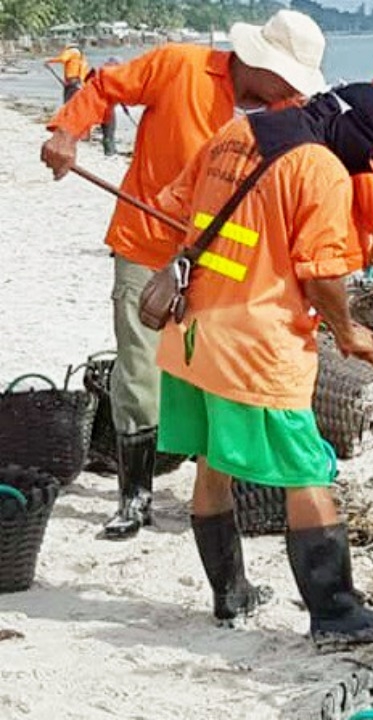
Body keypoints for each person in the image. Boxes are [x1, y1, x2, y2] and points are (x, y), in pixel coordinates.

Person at [40, 10, 326, 541]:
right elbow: (105, 87)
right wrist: (66, 131)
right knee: (140, 372)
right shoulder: (178, 65)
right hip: (147, 245)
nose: (291, 92)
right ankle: (135, 497)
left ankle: (214, 490)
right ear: (262, 64)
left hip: (223, 268)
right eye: (288, 79)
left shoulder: (281, 114)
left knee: (212, 376)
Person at [153, 83, 373, 642]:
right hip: (256, 345)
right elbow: (320, 274)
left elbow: (177, 207)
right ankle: (337, 614)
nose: (362, 164)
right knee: (307, 473)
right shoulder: (319, 167)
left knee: (212, 463)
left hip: (193, 334)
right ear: (346, 130)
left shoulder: (234, 132)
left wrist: (252, 245)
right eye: (365, 152)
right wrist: (347, 332)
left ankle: (230, 595)